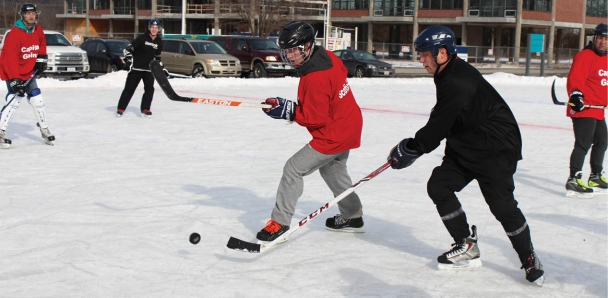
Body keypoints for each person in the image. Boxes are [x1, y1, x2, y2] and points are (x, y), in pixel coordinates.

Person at [387, 25, 544, 284]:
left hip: (496, 148)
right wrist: (417, 146)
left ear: (442, 53)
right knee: (439, 186)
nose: (421, 59)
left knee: (501, 205)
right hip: (466, 145)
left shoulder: (458, 79)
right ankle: (466, 245)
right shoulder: (448, 73)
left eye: (425, 54)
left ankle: (528, 257)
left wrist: (414, 147)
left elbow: (440, 122)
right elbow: (448, 120)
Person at [256, 22, 364, 242]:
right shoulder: (326, 57)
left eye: (295, 50)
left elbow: (316, 117)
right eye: (287, 50)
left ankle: (280, 223)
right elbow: (338, 76)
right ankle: (353, 216)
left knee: (293, 169)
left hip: (334, 134)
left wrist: (290, 111)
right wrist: (290, 107)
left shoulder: (314, 77)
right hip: (349, 123)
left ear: (307, 46)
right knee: (333, 171)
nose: (290, 55)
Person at [0, 3, 54, 148]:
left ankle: (44, 129)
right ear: (22, 15)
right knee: (15, 100)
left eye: (33, 13)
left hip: (29, 72)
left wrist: (41, 59)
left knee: (38, 99)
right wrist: (15, 79)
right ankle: (0, 131)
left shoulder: (38, 30)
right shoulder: (15, 34)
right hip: (13, 72)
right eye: (27, 13)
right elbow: (9, 59)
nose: (31, 16)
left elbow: (42, 45)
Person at [564, 23, 608, 197]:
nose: (603, 42)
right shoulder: (585, 56)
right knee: (583, 143)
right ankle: (573, 178)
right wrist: (576, 96)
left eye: (606, 39)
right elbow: (576, 79)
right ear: (594, 39)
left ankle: (595, 176)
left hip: (597, 109)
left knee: (603, 141)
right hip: (583, 109)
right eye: (600, 38)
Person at [116, 19, 163, 118]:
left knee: (149, 89)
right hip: (137, 69)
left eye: (156, 28)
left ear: (158, 29)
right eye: (152, 27)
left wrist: (160, 67)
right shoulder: (142, 38)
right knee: (129, 89)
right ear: (149, 28)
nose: (154, 29)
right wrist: (129, 60)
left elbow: (157, 57)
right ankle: (121, 108)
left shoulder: (159, 41)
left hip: (149, 70)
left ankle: (145, 109)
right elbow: (128, 49)